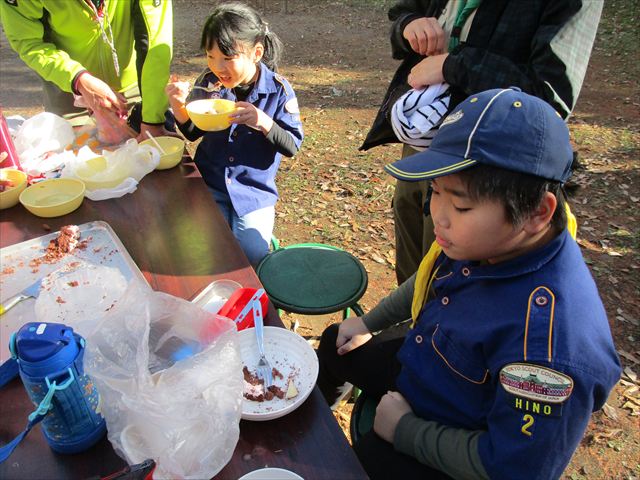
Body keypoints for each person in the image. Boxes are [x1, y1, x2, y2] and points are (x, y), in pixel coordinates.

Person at [317, 88, 621, 480]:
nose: (437, 216)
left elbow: (515, 468)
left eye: (460, 205)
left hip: (456, 438)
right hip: (426, 365)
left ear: (536, 212)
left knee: (354, 465)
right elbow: (429, 280)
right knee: (334, 341)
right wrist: (368, 322)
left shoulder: (551, 349)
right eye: (435, 192)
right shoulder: (487, 239)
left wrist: (407, 431)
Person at [360, 0, 604, 285]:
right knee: (416, 256)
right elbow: (406, 9)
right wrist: (409, 24)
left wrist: (454, 65)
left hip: (485, 161)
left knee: (450, 274)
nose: (443, 214)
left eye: (460, 208)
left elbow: (547, 99)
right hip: (427, 143)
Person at [165, 2, 303, 266]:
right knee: (203, 249)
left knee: (251, 256)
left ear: (256, 53)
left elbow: (292, 145)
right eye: (210, 56)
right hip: (210, 185)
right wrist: (179, 107)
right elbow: (194, 132)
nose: (218, 67)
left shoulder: (278, 91)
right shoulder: (208, 82)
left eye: (228, 58)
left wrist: (264, 122)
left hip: (254, 194)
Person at [0, 0, 174, 139]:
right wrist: (77, 79)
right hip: (68, 92)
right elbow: (28, 42)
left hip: (140, 86)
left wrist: (152, 119)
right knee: (73, 168)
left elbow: (156, 42)